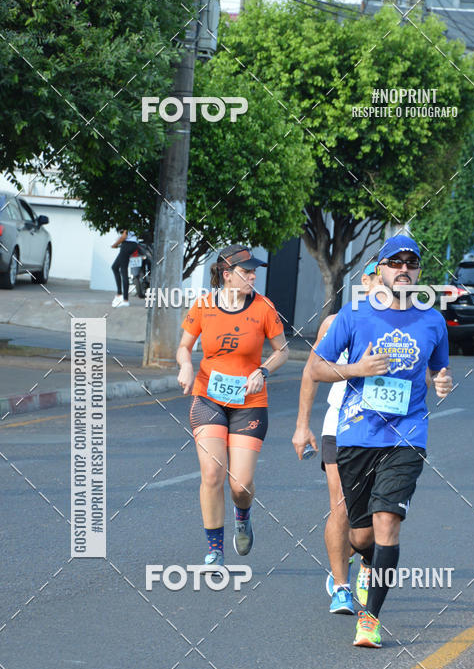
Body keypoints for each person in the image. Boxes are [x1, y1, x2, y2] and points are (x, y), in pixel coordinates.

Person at [309, 236, 453, 647]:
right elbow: (316, 368)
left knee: (387, 521)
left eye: (412, 263)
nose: (404, 269)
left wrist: (442, 383)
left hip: (406, 435)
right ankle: (365, 562)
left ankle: (369, 619)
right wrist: (358, 367)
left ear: (418, 272)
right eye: (395, 262)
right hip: (356, 435)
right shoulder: (354, 316)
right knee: (361, 536)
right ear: (381, 269)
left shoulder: (432, 321)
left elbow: (440, 373)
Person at [176, 244, 288, 566]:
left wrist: (263, 370)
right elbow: (184, 346)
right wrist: (185, 365)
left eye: (254, 272)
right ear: (227, 275)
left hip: (249, 403)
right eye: (246, 272)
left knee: (239, 484)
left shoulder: (264, 307)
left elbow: (282, 350)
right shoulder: (204, 305)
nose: (253, 276)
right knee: (212, 473)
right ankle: (215, 549)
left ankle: (243, 513)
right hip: (208, 397)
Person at [292, 262, 381, 616]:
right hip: (340, 425)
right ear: (367, 281)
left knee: (376, 512)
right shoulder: (336, 322)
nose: (384, 284)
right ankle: (341, 587)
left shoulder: (403, 323)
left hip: (382, 429)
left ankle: (368, 561)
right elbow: (311, 371)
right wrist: (302, 425)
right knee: (340, 505)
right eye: (377, 277)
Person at [111, 227, 140, 307]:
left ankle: (125, 300)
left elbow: (124, 237)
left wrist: (115, 244)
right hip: (132, 245)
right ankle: (119, 293)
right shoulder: (133, 220)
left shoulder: (126, 220)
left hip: (127, 245)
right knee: (115, 267)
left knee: (123, 271)